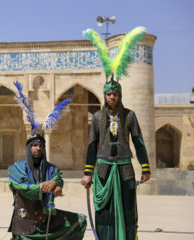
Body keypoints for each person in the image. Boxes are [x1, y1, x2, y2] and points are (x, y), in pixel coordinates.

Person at [81, 27, 151, 240]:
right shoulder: (96, 117)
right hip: (102, 170)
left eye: (115, 94)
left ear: (120, 95)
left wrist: (145, 167)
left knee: (128, 211)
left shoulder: (129, 116)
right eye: (109, 94)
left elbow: (138, 142)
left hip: (124, 169)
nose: (112, 97)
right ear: (105, 95)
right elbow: (92, 146)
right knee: (104, 213)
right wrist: (87, 172)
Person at [8, 81, 87, 240]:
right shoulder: (16, 168)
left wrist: (56, 185)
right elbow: (21, 186)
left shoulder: (51, 169)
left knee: (79, 222)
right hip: (26, 220)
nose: (38, 148)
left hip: (46, 218)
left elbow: (58, 179)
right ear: (29, 148)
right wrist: (45, 186)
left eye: (40, 146)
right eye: (35, 145)